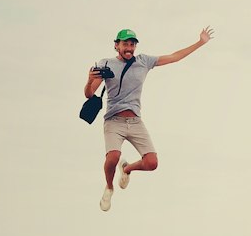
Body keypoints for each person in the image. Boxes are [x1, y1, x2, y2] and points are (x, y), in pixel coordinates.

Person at [84, 25, 214, 212]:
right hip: (114, 120)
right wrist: (89, 80)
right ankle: (109, 187)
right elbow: (89, 94)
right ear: (116, 45)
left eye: (132, 44)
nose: (129, 48)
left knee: (152, 163)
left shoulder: (144, 61)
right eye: (125, 44)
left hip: (135, 121)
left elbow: (174, 57)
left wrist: (200, 43)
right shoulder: (105, 64)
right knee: (113, 156)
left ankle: (127, 169)